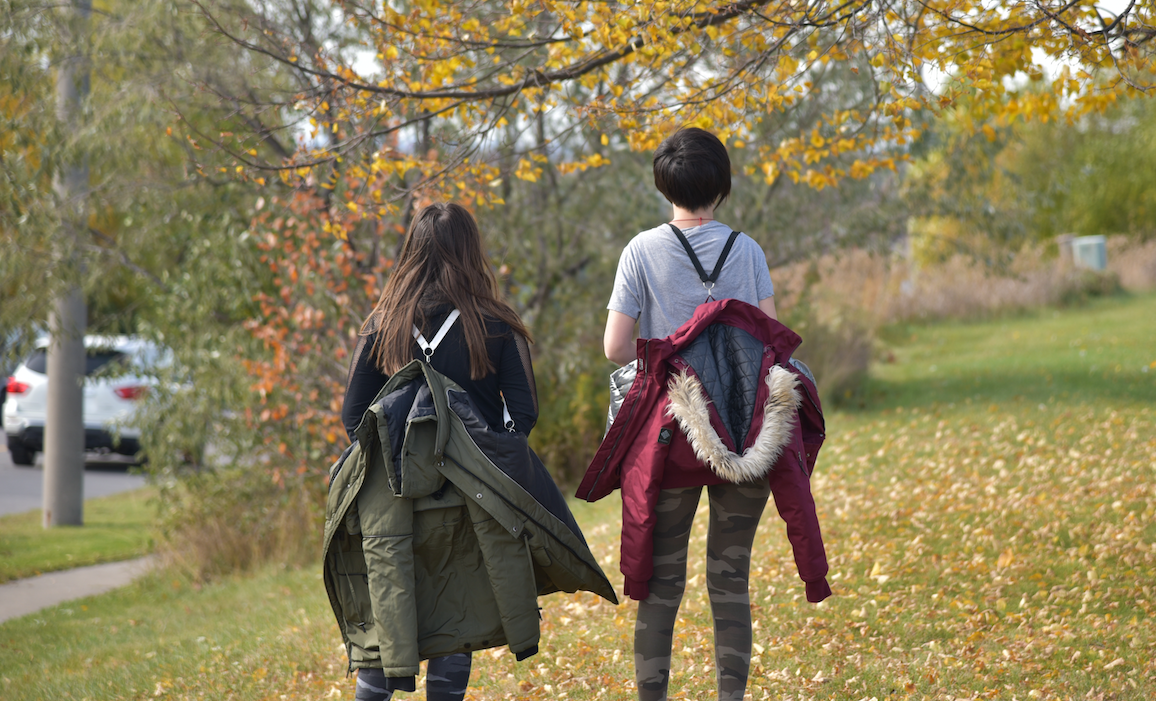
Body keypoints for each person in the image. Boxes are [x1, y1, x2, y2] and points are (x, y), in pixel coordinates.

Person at [595, 127, 830, 701]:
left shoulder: (641, 251)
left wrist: (671, 349)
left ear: (663, 184)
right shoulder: (746, 251)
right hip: (747, 438)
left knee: (661, 586)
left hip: (674, 434)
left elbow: (615, 347)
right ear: (721, 187)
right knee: (730, 578)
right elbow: (770, 341)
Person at [339, 201, 538, 701]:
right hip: (468, 503)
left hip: (392, 505)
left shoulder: (381, 324)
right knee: (455, 623)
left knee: (390, 624)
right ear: (471, 251)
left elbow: (353, 417)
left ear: (412, 252)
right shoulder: (496, 324)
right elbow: (523, 415)